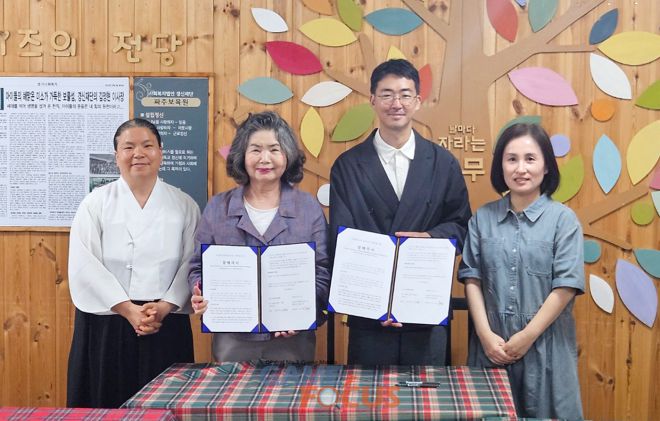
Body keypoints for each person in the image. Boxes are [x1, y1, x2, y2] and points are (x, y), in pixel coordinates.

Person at [329, 59, 471, 365]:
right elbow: (341, 239)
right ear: (372, 100)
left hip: (424, 308)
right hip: (369, 313)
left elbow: (462, 226)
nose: (397, 103)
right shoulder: (347, 166)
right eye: (387, 94)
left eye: (405, 95)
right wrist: (376, 301)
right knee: (367, 394)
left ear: (417, 101)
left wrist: (429, 238)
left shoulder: (443, 163)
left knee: (428, 394)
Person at [67, 118, 200, 408]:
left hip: (164, 320)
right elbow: (84, 263)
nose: (138, 153)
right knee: (106, 402)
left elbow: (192, 262)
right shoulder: (95, 203)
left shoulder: (184, 204)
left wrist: (164, 306)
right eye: (128, 147)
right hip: (109, 320)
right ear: (117, 156)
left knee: (165, 404)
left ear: (161, 153)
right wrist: (128, 310)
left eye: (147, 146)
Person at [458, 123, 584, 419]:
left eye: (530, 159)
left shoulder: (564, 220)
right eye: (511, 159)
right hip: (491, 347)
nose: (521, 168)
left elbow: (566, 285)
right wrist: (484, 334)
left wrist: (527, 336)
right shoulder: (482, 218)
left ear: (546, 166)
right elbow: (471, 278)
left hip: (546, 346)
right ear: (500, 166)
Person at [189, 111, 330, 362]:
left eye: (274, 149)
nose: (265, 159)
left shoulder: (308, 208)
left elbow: (322, 270)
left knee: (292, 388)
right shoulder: (218, 207)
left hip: (293, 339)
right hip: (233, 336)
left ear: (287, 155)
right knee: (232, 388)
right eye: (255, 150)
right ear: (241, 156)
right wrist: (200, 291)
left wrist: (302, 311)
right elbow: (197, 266)